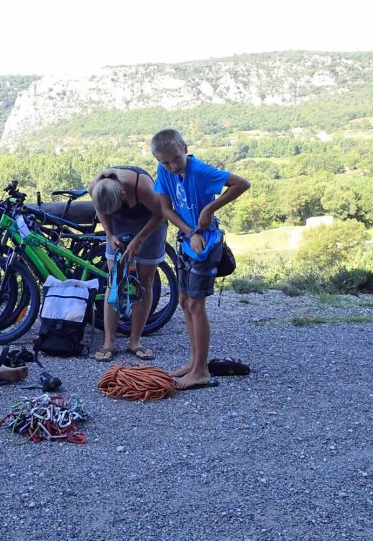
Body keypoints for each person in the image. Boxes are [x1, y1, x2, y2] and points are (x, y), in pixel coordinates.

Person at [151, 128, 250, 389]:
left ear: (184, 149)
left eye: (175, 159)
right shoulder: (164, 172)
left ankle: (201, 372)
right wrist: (190, 231)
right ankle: (196, 363)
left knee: (196, 305)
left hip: (206, 244)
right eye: (165, 162)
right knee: (184, 302)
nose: (172, 166)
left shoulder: (201, 171)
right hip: (189, 241)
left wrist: (209, 208)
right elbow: (164, 209)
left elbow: (242, 183)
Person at [87, 166, 169, 362]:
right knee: (114, 280)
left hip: (151, 222)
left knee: (144, 280)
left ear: (123, 193)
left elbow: (161, 214)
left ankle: (135, 341)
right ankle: (109, 342)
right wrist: (109, 234)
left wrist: (139, 239)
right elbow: (102, 210)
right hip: (118, 222)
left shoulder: (143, 187)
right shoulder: (95, 187)